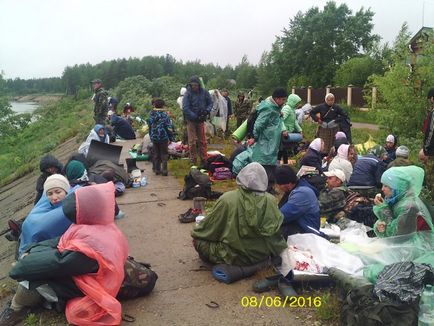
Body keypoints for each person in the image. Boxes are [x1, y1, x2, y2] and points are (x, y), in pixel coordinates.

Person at [0, 183, 128, 326]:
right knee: (38, 261)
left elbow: (59, 262)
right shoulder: (101, 225)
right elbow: (59, 241)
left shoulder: (90, 244)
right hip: (97, 272)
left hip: (95, 284)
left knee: (29, 280)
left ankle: (16, 308)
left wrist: (20, 266)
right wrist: (32, 249)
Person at [191, 163, 287, 266]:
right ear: (264, 179)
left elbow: (208, 229)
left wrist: (197, 230)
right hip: (262, 254)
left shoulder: (227, 199)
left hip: (234, 256)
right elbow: (276, 234)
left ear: (241, 177)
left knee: (197, 240)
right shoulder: (271, 200)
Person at [19, 174, 78, 257]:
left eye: (58, 192)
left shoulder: (74, 203)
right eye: (50, 194)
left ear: (66, 191)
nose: (54, 197)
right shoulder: (45, 206)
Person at [373, 166, 433, 237]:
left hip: (417, 246)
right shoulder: (397, 200)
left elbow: (396, 235)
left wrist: (383, 210)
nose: (382, 189)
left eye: (386, 186)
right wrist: (379, 226)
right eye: (382, 185)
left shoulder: (409, 206)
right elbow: (389, 223)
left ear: (398, 187)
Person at [251, 88, 288, 190]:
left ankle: (270, 187)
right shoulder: (268, 108)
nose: (284, 102)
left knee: (271, 164)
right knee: (265, 164)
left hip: (272, 142)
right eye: (283, 99)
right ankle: (264, 188)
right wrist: (255, 137)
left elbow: (276, 122)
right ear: (277, 99)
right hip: (265, 142)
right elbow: (258, 125)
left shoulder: (275, 108)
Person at [275, 165, 324, 239]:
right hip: (301, 229)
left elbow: (280, 217)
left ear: (287, 185)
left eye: (279, 185)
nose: (278, 188)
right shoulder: (299, 187)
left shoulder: (302, 193)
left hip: (306, 234)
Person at [182, 76, 213, 165]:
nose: (194, 87)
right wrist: (194, 116)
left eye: (196, 85)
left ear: (199, 84)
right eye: (192, 85)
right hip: (191, 120)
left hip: (201, 119)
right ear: (190, 85)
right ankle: (193, 159)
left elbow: (210, 103)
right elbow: (185, 108)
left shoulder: (204, 92)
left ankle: (204, 158)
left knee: (202, 140)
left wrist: (206, 111)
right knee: (192, 141)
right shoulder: (188, 94)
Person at [147, 99, 175, 176]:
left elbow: (149, 126)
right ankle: (164, 170)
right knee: (164, 154)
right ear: (163, 105)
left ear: (154, 105)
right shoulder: (165, 115)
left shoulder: (151, 114)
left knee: (156, 153)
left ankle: (157, 169)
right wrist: (171, 138)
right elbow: (168, 127)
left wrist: (151, 135)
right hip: (163, 137)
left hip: (154, 137)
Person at [279, 94, 303, 164]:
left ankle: (285, 164)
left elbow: (294, 121)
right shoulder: (287, 108)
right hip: (284, 133)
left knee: (285, 149)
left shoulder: (292, 109)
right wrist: (284, 130)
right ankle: (279, 164)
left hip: (289, 132)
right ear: (293, 101)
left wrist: (300, 130)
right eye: (296, 102)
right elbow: (280, 120)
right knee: (282, 149)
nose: (297, 104)